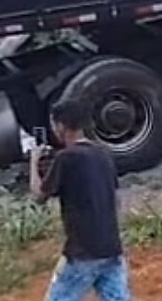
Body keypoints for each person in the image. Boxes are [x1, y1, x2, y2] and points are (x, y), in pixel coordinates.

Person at [30, 98, 130, 301]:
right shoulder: (103, 154)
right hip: (111, 247)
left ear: (60, 126)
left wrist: (33, 161)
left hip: (82, 252)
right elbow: (116, 199)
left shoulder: (66, 158)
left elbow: (39, 195)